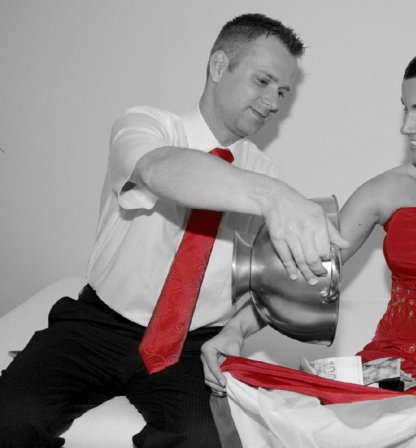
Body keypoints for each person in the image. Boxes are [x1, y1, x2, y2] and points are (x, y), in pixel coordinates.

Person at [0, 13, 348, 448]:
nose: (273, 102)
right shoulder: (147, 126)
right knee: (9, 416)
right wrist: (272, 197)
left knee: (202, 440)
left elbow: (269, 284)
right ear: (218, 66)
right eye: (263, 81)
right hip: (97, 327)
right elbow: (158, 170)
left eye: (282, 91)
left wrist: (236, 331)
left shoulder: (265, 173)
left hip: (190, 346)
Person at [203, 31, 416, 448]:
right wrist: (236, 329)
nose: (406, 126)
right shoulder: (385, 189)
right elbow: (310, 268)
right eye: (405, 109)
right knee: (289, 415)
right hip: (383, 373)